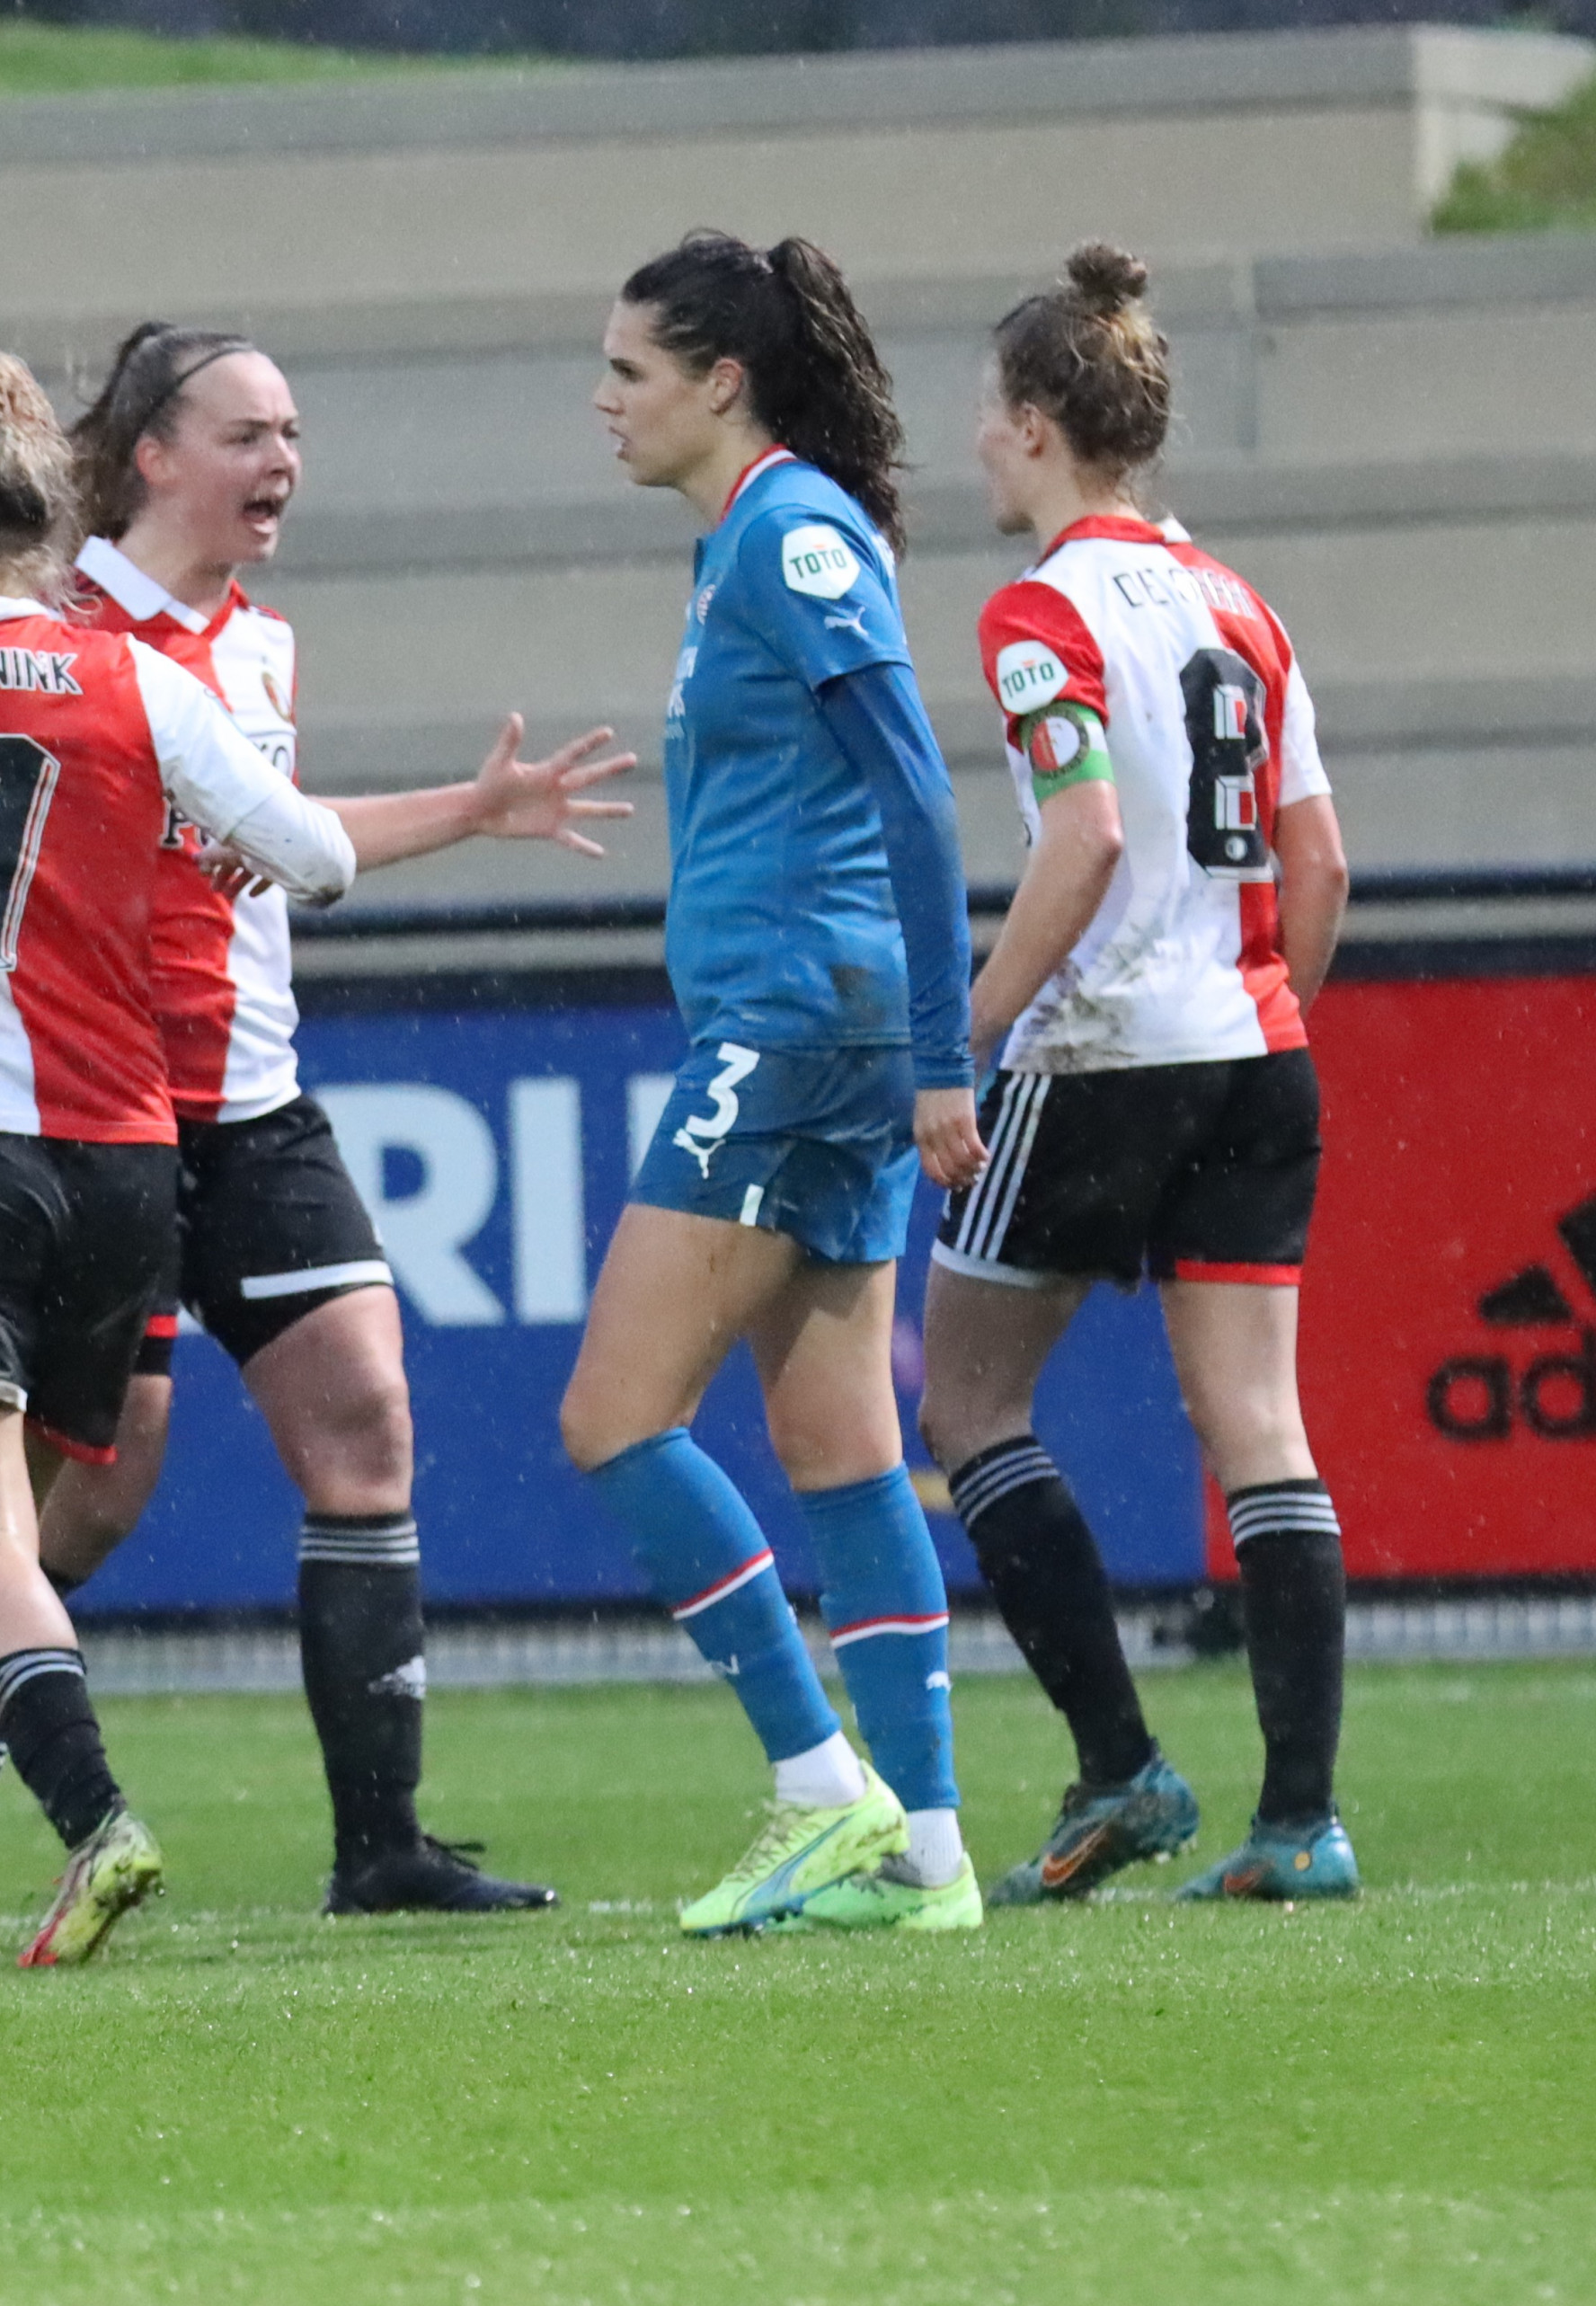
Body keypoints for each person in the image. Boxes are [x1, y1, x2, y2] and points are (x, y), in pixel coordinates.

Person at [0, 320, 634, 1927]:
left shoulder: (257, 644)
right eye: (250, 435)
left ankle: (381, 1846)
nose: (283, 463)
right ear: (152, 455)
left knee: (365, 1414)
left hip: (256, 1097)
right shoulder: (56, 631)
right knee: (85, 1494)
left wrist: (472, 810)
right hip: (106, 1111)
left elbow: (286, 838)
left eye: (292, 434)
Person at [558, 231, 989, 1938]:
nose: (603, 400)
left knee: (614, 1417)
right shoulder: (745, 537)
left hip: (797, 1027)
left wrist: (943, 1056)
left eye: (630, 371)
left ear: (720, 381)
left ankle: (822, 1789)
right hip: (814, 1021)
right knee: (839, 1441)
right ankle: (927, 1856)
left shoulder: (791, 535)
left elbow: (920, 799)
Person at [918, 245, 1358, 1904]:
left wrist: (961, 1033)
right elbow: (1320, 868)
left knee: (969, 1406)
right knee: (1259, 1425)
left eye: (987, 414)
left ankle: (1121, 1769)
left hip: (1104, 1048)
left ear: (1037, 426)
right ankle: (1301, 1823)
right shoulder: (1244, 607)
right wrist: (1253, 1010)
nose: (977, 442)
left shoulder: (1041, 612)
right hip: (1258, 1047)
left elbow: (1086, 836)